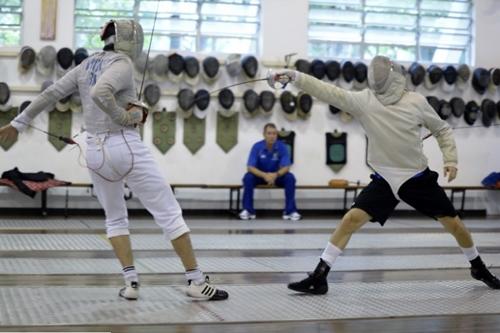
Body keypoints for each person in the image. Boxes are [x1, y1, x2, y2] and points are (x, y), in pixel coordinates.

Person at [0, 19, 228, 301]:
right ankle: (195, 280)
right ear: (128, 40)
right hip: (124, 145)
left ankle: (131, 283)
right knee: (169, 213)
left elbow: (51, 94)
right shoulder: (122, 64)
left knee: (115, 218)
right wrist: (123, 117)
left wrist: (18, 123)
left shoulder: (86, 65)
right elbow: (100, 93)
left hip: (94, 152)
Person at [267, 55, 500, 294]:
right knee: (350, 220)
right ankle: (320, 275)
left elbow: (441, 129)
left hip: (416, 177)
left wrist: (450, 159)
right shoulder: (365, 100)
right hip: (386, 178)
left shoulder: (416, 101)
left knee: (455, 225)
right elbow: (327, 91)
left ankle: (478, 266)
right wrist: (295, 76)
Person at [239, 123, 301, 221]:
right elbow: (250, 167)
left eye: (274, 134)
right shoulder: (257, 147)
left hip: (277, 176)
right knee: (248, 177)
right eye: (269, 133)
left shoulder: (282, 147)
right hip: (260, 176)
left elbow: (286, 167)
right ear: (264, 134)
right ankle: (248, 210)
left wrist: (275, 175)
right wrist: (264, 175)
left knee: (290, 178)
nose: (272, 136)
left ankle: (290, 211)